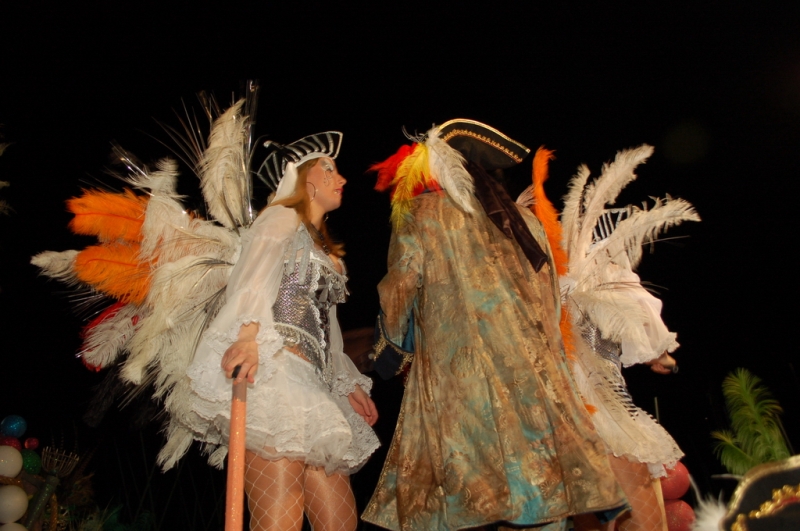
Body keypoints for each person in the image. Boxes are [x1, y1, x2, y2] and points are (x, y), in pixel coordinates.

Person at [361, 120, 626, 531]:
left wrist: (390, 353)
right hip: (535, 382)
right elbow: (551, 303)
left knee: (467, 497)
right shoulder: (527, 223)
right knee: (541, 492)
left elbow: (400, 287)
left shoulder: (423, 215)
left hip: (461, 388)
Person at [182, 132, 380, 531]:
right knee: (279, 519)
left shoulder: (328, 255)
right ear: (305, 177)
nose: (340, 179)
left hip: (315, 387)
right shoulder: (281, 219)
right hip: (276, 373)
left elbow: (328, 330)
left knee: (341, 523)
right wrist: (247, 336)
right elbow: (255, 277)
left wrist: (345, 381)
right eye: (330, 169)